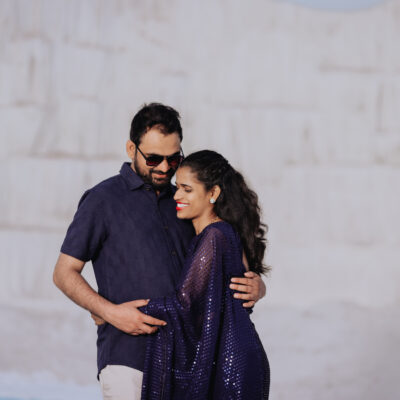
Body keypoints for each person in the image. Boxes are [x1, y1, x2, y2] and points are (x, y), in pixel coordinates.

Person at [52, 103, 267, 400]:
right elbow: (63, 273)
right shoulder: (102, 200)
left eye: (173, 158)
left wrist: (256, 286)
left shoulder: (184, 201)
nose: (165, 168)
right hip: (128, 358)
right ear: (131, 149)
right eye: (154, 158)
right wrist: (108, 311)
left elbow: (215, 270)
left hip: (186, 367)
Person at [139, 150, 270, 399]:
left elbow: (185, 304)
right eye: (177, 187)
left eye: (187, 189)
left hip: (230, 368)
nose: (176, 195)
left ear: (213, 193)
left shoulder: (214, 236)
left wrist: (126, 312)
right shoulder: (224, 233)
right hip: (237, 360)